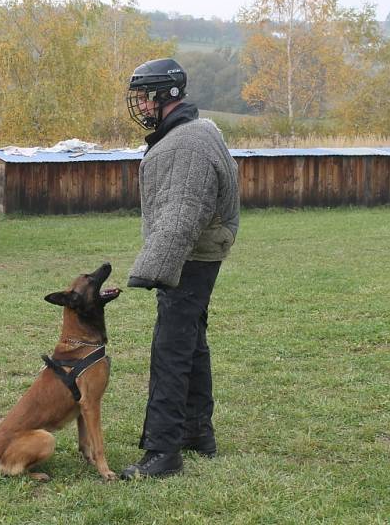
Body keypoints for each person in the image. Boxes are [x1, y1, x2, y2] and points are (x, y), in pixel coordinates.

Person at [120, 58, 240, 479]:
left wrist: (152, 268)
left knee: (170, 350)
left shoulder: (186, 143)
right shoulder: (196, 132)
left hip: (189, 256)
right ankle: (196, 433)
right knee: (191, 341)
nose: (141, 106)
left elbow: (181, 213)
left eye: (144, 97)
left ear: (164, 96)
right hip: (201, 252)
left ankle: (162, 452)